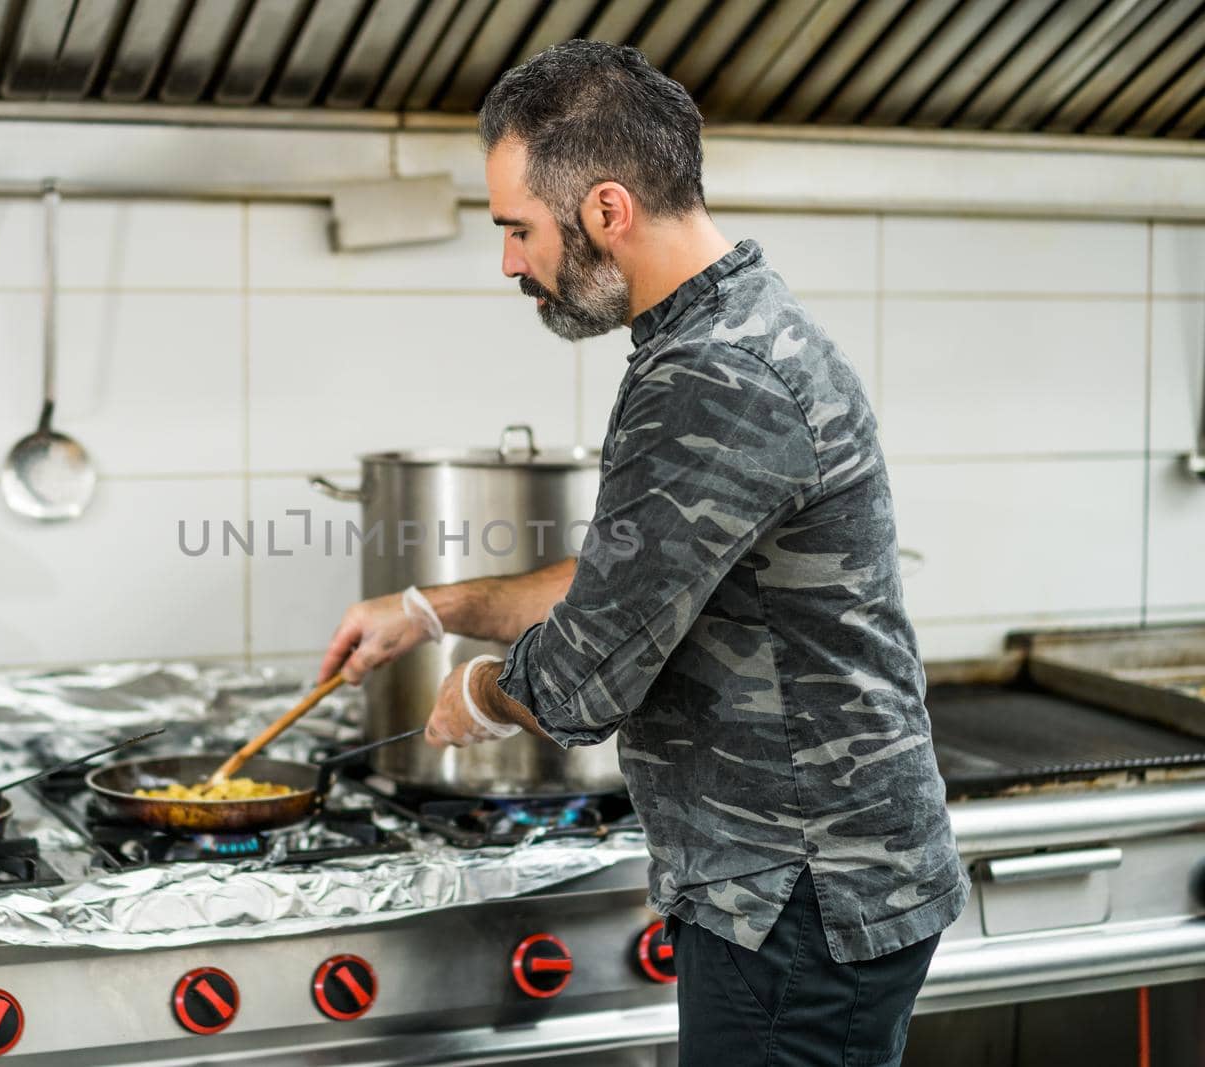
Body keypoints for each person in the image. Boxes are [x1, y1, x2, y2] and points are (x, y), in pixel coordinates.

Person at [317, 40, 968, 1067]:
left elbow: (585, 676)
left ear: (606, 210)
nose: (507, 262)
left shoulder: (715, 374)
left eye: (516, 228)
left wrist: (482, 694)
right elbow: (635, 575)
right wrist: (431, 608)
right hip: (787, 883)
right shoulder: (713, 335)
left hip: (798, 895)